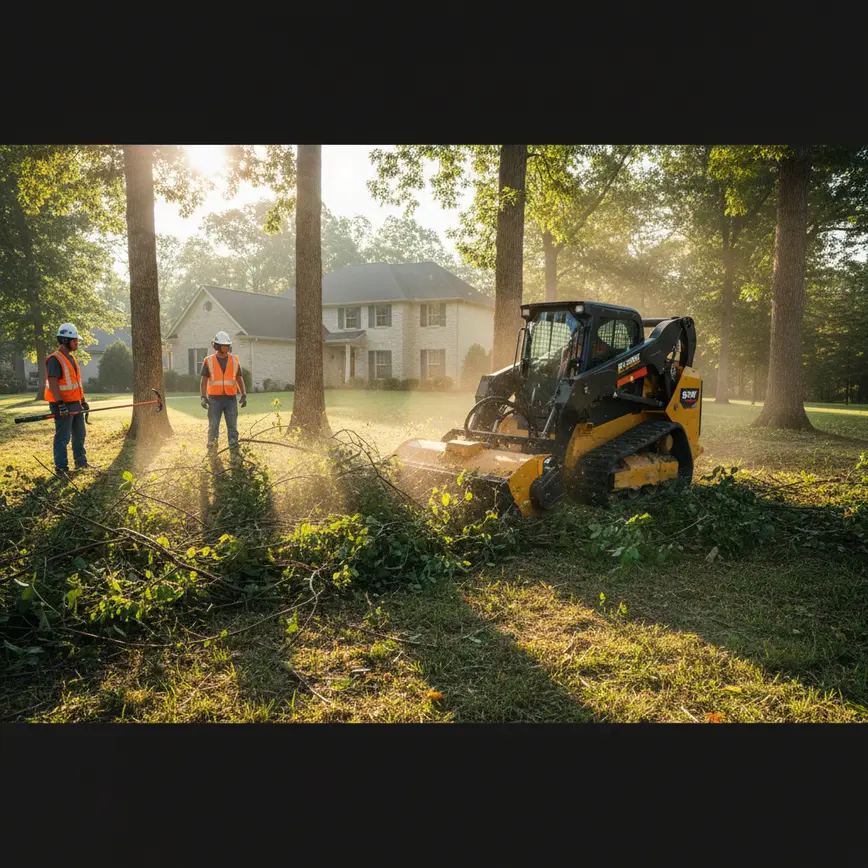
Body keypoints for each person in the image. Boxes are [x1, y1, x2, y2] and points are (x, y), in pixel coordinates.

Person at [44, 323, 97, 475]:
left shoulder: (71, 358)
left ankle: (81, 462)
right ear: (66, 340)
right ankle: (61, 468)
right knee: (63, 437)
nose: (77, 343)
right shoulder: (55, 359)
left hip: (75, 403)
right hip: (63, 405)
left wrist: (83, 400)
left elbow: (76, 383)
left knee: (80, 434)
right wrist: (60, 404)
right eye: (75, 340)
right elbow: (53, 382)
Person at [200, 330, 247, 450]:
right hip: (214, 400)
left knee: (232, 427)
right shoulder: (208, 360)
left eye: (227, 346)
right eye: (223, 346)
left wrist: (243, 395)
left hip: (231, 399)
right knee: (213, 426)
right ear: (217, 346)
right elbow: (204, 381)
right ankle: (212, 449)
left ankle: (233, 448)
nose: (226, 348)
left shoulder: (235, 360)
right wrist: (203, 397)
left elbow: (239, 379)